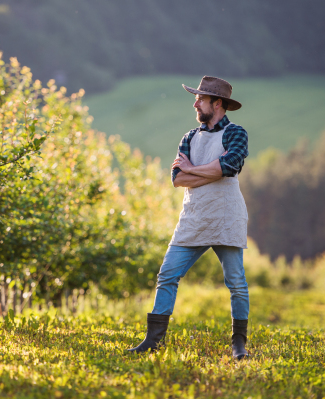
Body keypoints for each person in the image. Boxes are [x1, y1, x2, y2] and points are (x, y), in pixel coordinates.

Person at [128, 76, 250, 359]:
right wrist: (207, 170)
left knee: (236, 283)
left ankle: (239, 345)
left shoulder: (237, 134)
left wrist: (193, 169)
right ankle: (153, 340)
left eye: (200, 99)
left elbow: (229, 168)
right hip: (194, 217)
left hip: (225, 216)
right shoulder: (189, 137)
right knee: (168, 274)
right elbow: (177, 178)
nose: (195, 103)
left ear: (216, 104)